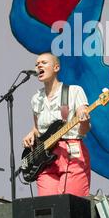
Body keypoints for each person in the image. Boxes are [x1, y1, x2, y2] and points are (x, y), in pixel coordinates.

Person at [22, 53, 91, 197]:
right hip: (44, 158)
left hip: (71, 153)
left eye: (44, 63)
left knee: (71, 206)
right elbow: (38, 129)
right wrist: (31, 133)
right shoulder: (36, 99)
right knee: (48, 209)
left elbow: (84, 130)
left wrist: (84, 119)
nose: (38, 65)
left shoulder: (73, 91)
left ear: (56, 67)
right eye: (37, 64)